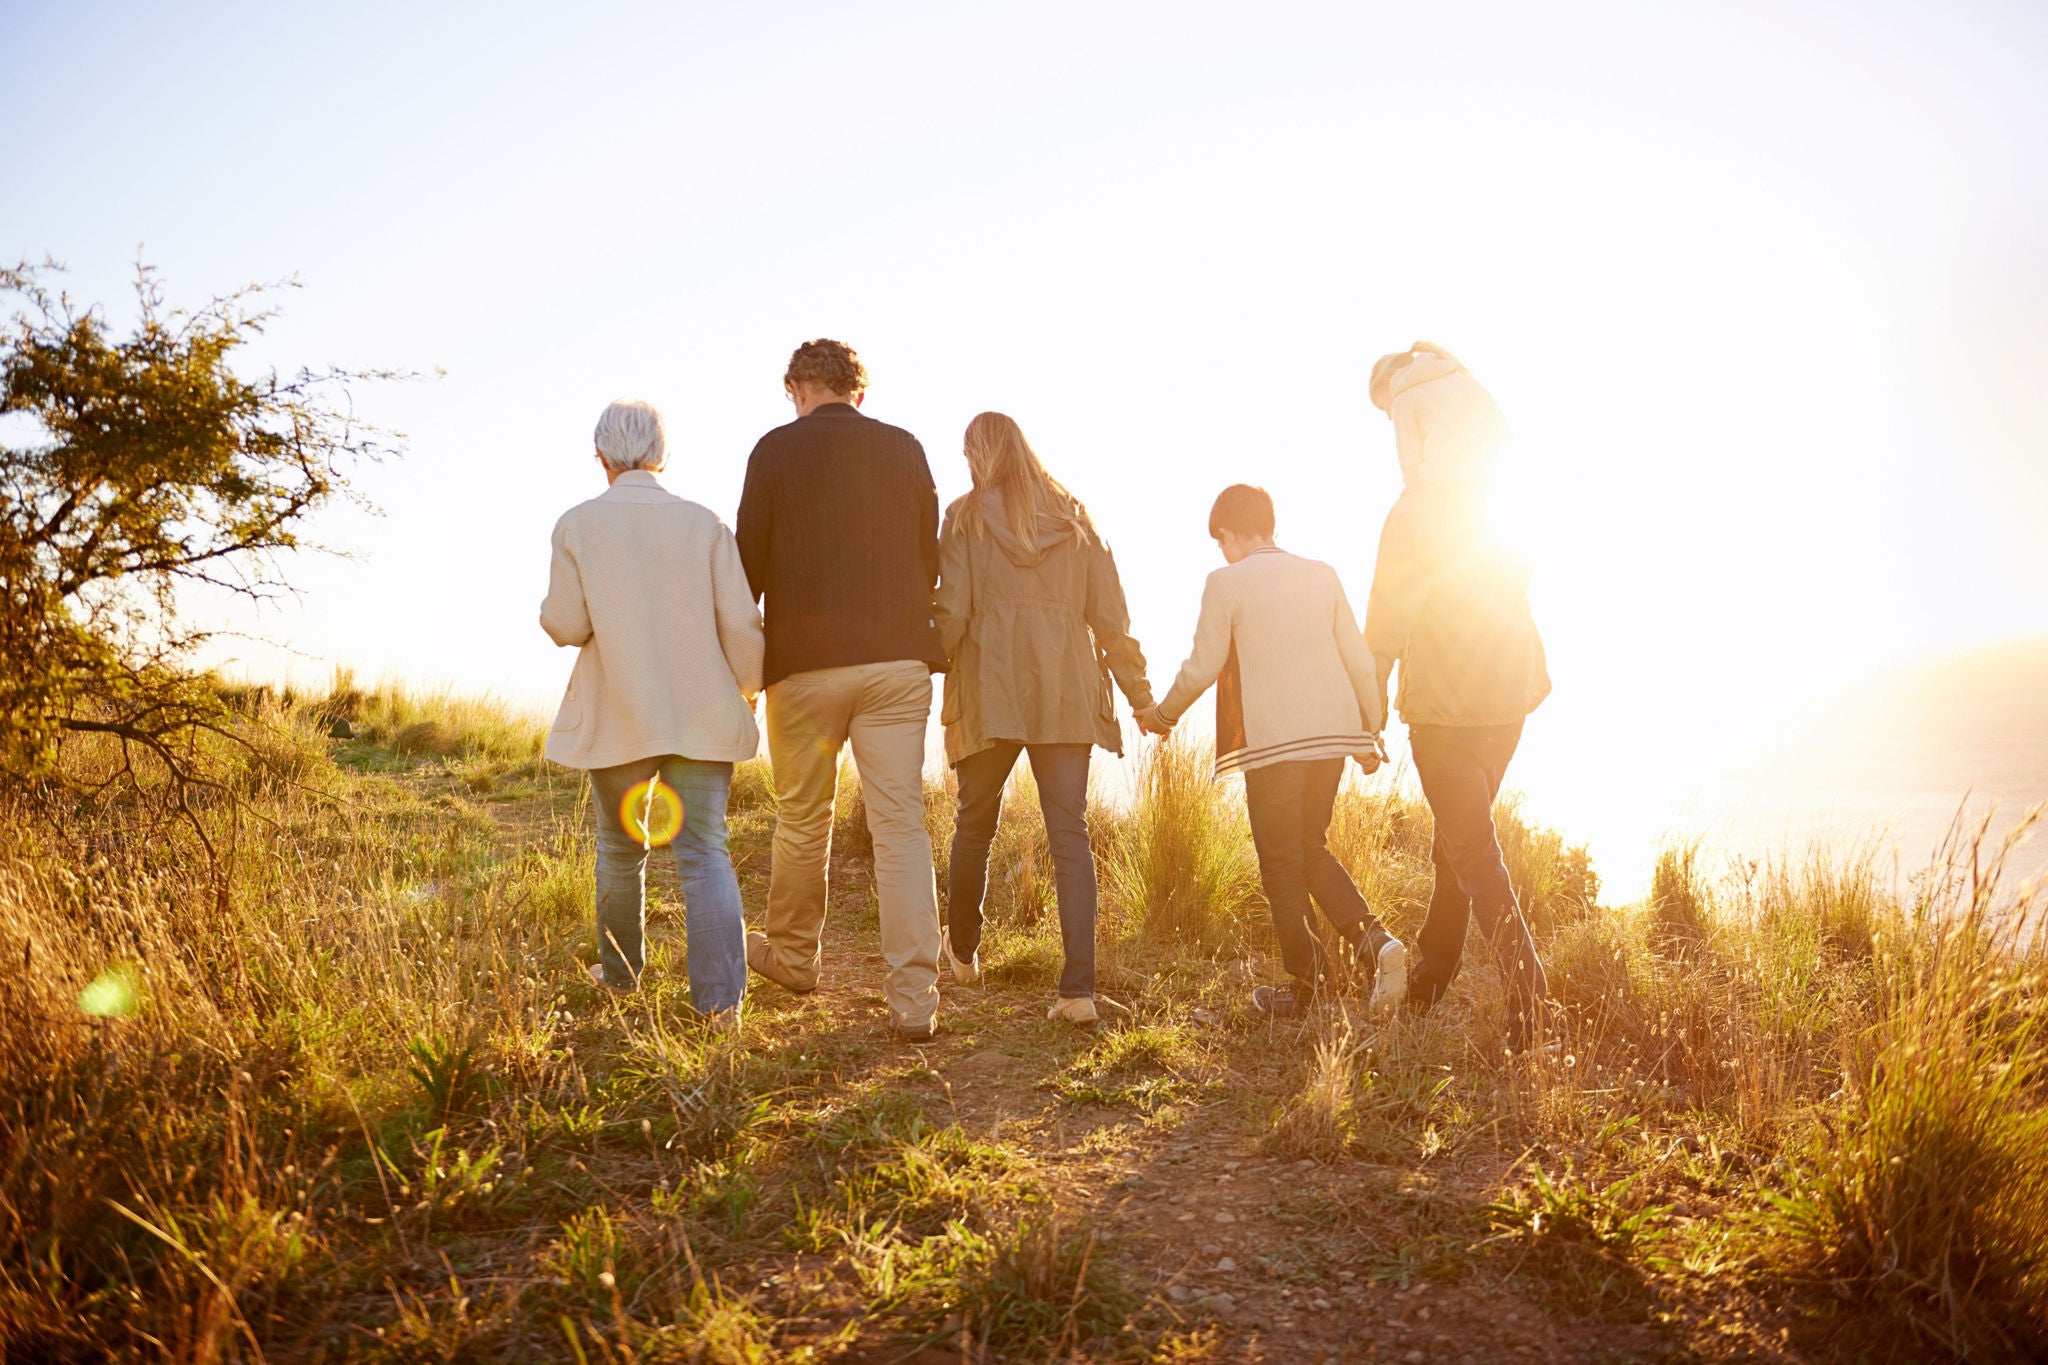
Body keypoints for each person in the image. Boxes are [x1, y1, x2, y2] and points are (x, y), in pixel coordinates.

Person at [735, 339, 948, 1042]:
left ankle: (794, 958)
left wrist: (743, 671)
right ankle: (915, 997)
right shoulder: (906, 448)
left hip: (804, 668)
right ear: (858, 391)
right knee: (900, 826)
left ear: (797, 388)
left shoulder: (773, 451)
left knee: (803, 818)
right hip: (896, 664)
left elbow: (748, 572)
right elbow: (929, 555)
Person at [1140, 485, 1406, 1020]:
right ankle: (1377, 946)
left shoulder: (1226, 582)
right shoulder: (1322, 573)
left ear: (1232, 533)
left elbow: (1204, 662)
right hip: (1331, 737)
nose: (1223, 552)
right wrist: (1370, 729)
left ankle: (1310, 992)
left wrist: (1162, 715)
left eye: (1222, 541)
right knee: (1309, 849)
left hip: (1277, 744)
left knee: (1281, 866)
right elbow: (1357, 655)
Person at [539, 399, 761, 1026]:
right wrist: (748, 689)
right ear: (661, 454)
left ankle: (620, 975)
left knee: (619, 847)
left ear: (601, 456)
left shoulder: (577, 524)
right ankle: (721, 1006)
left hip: (620, 713)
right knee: (705, 853)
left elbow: (566, 623)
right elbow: (741, 625)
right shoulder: (704, 523)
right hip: (702, 714)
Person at [932, 412, 1154, 1025]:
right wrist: (1139, 695)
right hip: (1065, 690)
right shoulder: (1076, 519)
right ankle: (1077, 991)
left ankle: (964, 953)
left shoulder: (967, 516)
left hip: (990, 687)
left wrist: (917, 659)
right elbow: (1112, 621)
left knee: (974, 824)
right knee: (1070, 836)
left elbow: (951, 611)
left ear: (980, 454)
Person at [1364, 341, 1552, 1050]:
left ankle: (1531, 993)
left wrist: (1368, 707)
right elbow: (1522, 565)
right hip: (1509, 693)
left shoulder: (1413, 513)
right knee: (1458, 842)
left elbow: (1384, 623)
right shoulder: (1497, 493)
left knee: (1472, 849)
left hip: (1445, 706)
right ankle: (1433, 975)